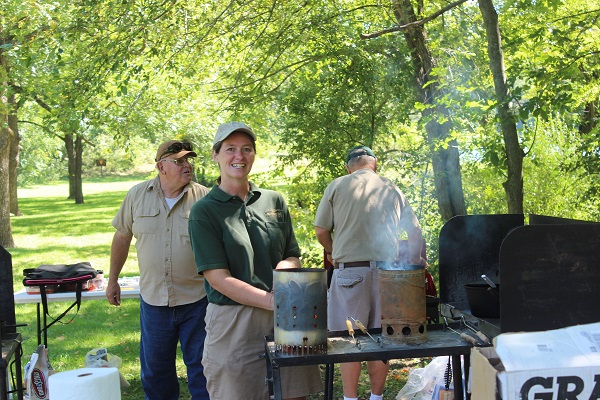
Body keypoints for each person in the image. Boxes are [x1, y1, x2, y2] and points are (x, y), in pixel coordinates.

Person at [188, 122, 323, 400]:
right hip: (234, 319)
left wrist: (286, 269)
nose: (239, 156)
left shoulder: (273, 200)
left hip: (287, 317)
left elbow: (292, 255)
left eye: (246, 149)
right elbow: (217, 278)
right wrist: (271, 300)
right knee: (237, 393)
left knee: (294, 393)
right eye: (231, 149)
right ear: (216, 155)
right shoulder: (204, 211)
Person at [314, 145, 425, 400]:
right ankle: (376, 397)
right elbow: (415, 232)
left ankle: (351, 398)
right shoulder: (391, 188)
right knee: (381, 340)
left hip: (350, 274)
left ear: (348, 167)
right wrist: (415, 260)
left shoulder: (337, 186)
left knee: (348, 340)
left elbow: (321, 231)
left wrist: (333, 252)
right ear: (375, 165)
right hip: (388, 277)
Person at [107, 140, 210, 400]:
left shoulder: (205, 198)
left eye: (189, 160)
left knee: (202, 369)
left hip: (197, 300)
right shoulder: (136, 195)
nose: (187, 165)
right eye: (179, 161)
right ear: (161, 166)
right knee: (155, 372)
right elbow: (122, 237)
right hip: (154, 301)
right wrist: (113, 280)